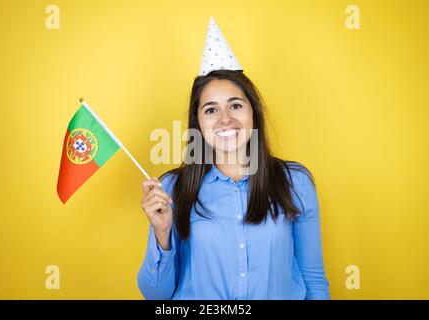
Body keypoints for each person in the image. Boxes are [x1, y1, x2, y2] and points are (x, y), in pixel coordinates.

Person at [137, 17, 330, 300]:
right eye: (211, 110)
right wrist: (162, 234)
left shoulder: (295, 182)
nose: (225, 120)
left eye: (236, 105)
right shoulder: (171, 188)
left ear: (253, 113)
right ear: (199, 123)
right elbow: (156, 296)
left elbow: (313, 280)